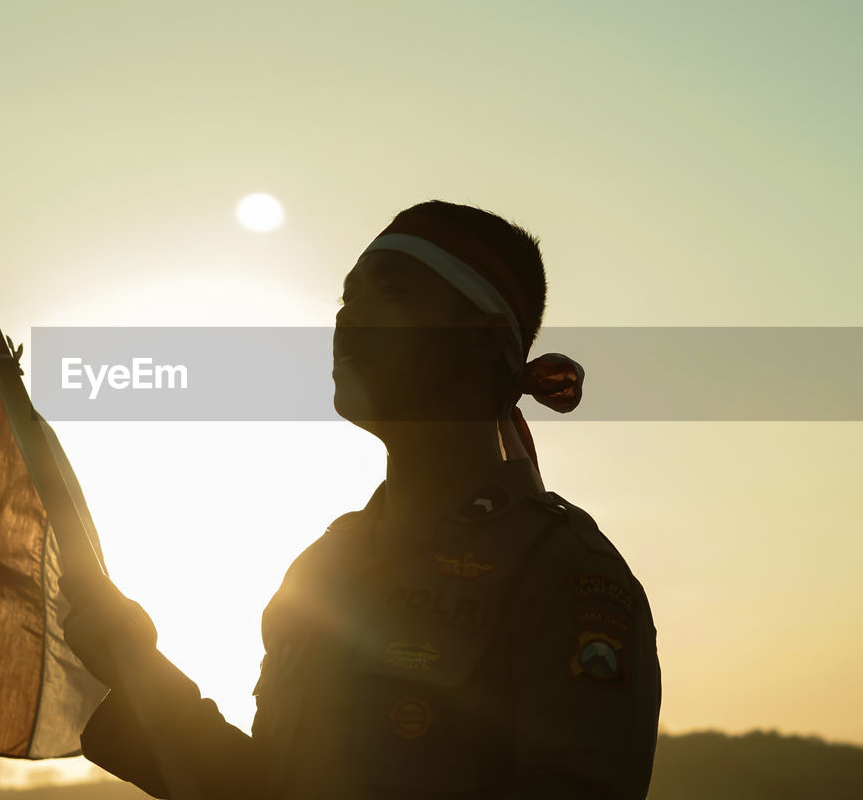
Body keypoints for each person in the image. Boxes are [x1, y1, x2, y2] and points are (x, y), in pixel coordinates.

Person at [61, 200, 662, 799]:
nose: (350, 320)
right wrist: (138, 667)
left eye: (392, 293)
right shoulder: (325, 565)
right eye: (348, 299)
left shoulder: (563, 575)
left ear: (481, 340)